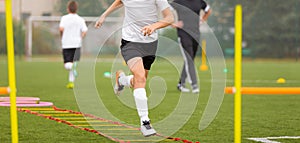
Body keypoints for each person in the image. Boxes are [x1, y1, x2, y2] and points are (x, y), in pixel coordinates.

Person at [95, 0, 174, 137]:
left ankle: (121, 80)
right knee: (140, 78)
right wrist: (104, 15)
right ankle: (145, 122)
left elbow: (170, 18)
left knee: (139, 81)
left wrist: (154, 26)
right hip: (130, 42)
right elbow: (119, 1)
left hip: (150, 43)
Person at [171, 0, 211, 93]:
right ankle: (194, 85)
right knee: (189, 58)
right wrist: (173, 23)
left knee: (190, 59)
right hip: (183, 33)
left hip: (196, 33)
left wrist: (202, 20)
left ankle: (181, 84)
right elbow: (166, 10)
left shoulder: (199, 1)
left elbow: (208, 11)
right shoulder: (178, 1)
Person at [59, 1, 88, 89]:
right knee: (72, 64)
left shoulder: (64, 18)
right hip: (77, 44)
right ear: (76, 9)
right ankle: (71, 82)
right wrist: (80, 38)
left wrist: (62, 36)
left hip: (66, 44)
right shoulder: (80, 19)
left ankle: (71, 81)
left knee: (67, 65)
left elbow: (61, 29)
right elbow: (84, 31)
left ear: (68, 9)